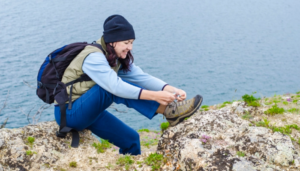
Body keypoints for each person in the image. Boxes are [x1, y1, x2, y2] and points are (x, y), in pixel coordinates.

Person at [54, 14, 203, 155]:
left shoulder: (115, 58)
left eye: (131, 42)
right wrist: (155, 96)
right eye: (126, 43)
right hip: (69, 114)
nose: (130, 47)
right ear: (112, 41)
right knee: (110, 89)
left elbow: (141, 77)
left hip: (90, 112)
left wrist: (170, 89)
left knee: (132, 140)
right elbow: (115, 87)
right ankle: (170, 112)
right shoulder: (93, 57)